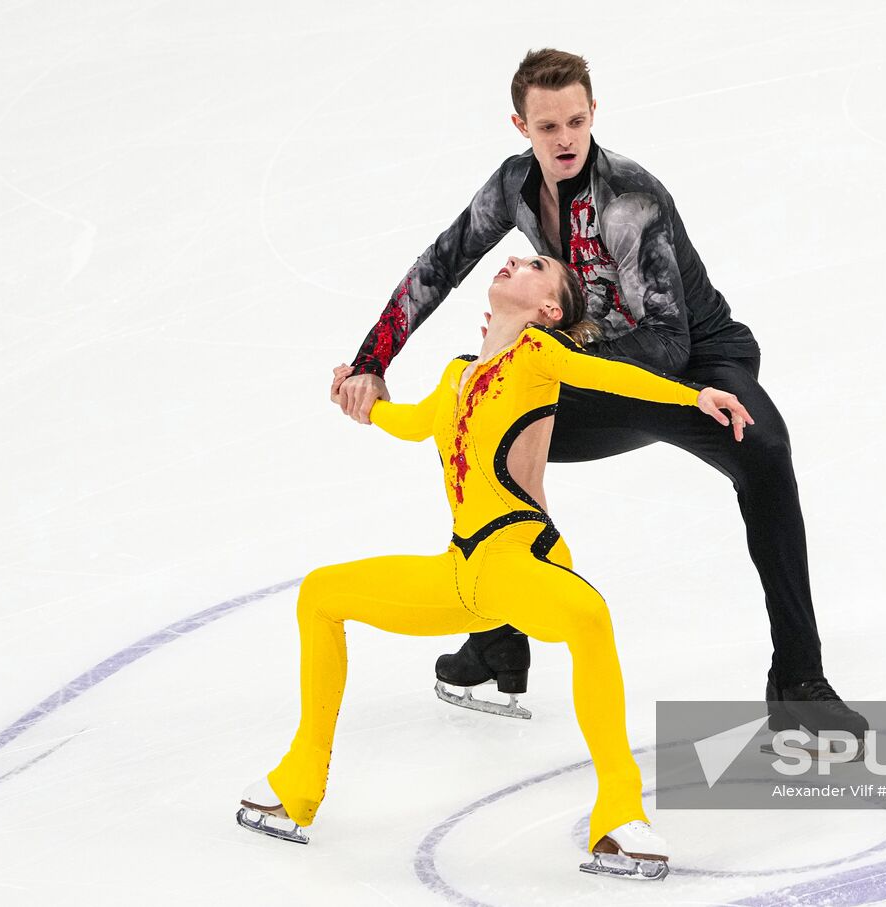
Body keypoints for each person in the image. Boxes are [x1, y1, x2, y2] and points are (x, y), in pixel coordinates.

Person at [332, 49, 868, 740]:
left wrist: (549, 353)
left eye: (576, 122)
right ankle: (499, 635)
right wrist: (369, 362)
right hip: (589, 362)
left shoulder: (629, 201)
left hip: (694, 360)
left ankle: (798, 678)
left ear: (593, 116)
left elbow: (668, 343)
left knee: (764, 448)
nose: (564, 139)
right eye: (548, 124)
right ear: (521, 124)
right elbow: (441, 262)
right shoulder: (513, 187)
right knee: (472, 401)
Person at [239, 253, 753, 880]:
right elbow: (410, 422)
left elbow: (608, 376)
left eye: (535, 265)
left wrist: (694, 395)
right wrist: (363, 401)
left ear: (550, 309)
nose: (513, 259)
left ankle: (618, 812)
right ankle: (297, 784)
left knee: (588, 617)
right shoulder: (457, 373)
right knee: (320, 593)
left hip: (516, 559)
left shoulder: (539, 354)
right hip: (461, 572)